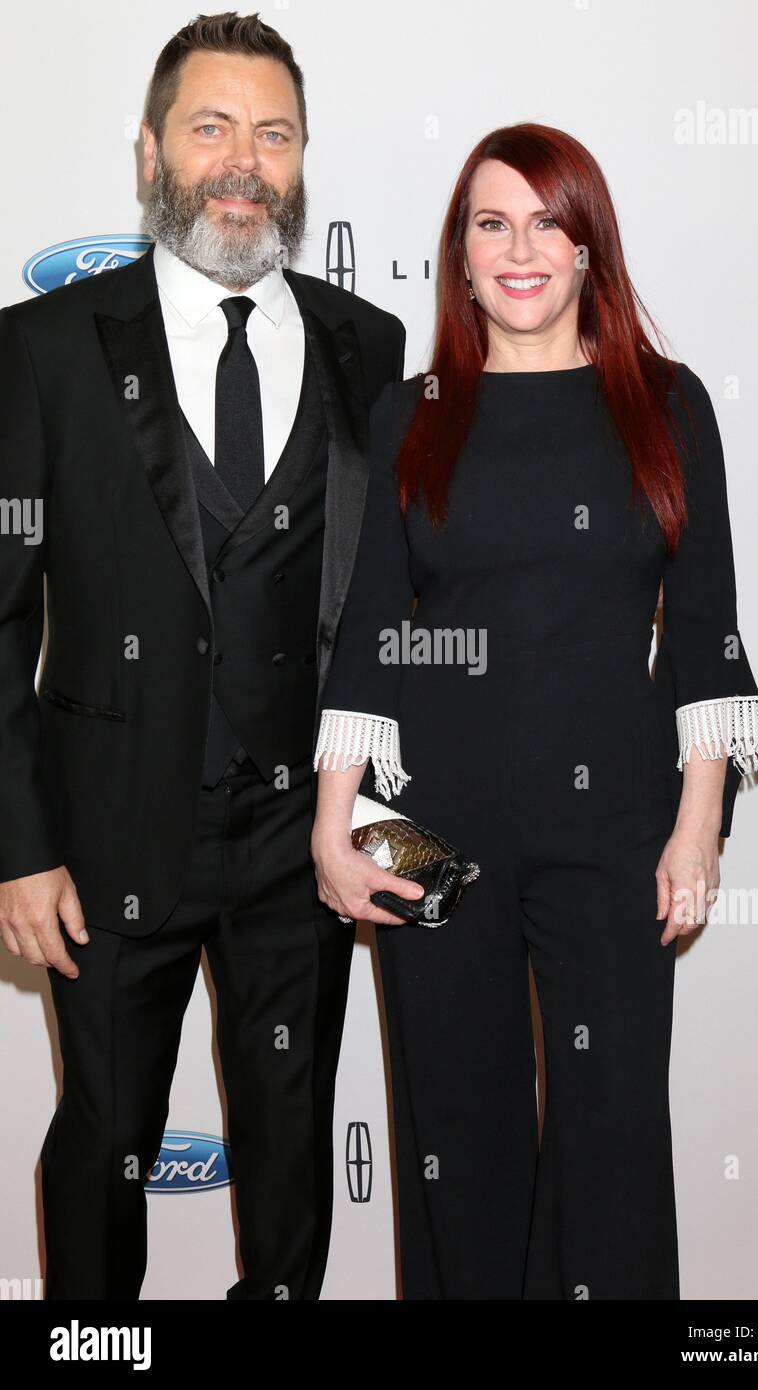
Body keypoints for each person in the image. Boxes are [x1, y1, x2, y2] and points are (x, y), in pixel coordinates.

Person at [311, 122, 758, 1300]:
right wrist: (333, 818)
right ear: (458, 258)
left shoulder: (666, 405)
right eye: (490, 222)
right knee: (450, 1128)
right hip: (428, 827)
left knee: (610, 1134)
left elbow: (707, 626)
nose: (520, 247)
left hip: (617, 820)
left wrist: (694, 825)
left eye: (546, 221)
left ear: (586, 248)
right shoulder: (408, 411)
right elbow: (369, 623)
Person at [0, 11, 405, 1299]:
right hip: (108, 839)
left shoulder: (367, 346)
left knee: (290, 1153)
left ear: (300, 162)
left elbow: (381, 607)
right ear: (150, 149)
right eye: (212, 127)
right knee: (106, 1143)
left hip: (305, 841)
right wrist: (17, 843)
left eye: (272, 134)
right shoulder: (47, 348)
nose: (244, 161)